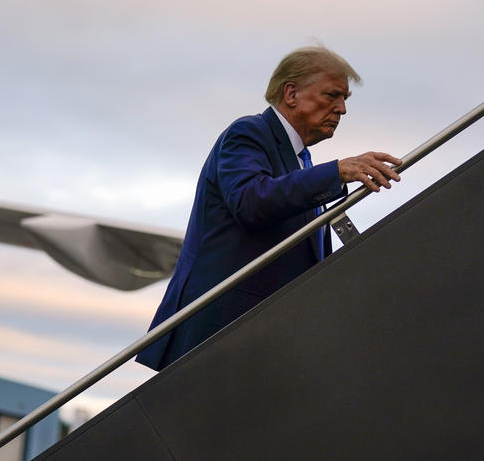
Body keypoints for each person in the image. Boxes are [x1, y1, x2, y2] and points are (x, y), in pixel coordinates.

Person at [136, 46, 403, 371]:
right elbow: (251, 200)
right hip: (221, 333)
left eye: (345, 98)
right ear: (291, 93)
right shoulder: (248, 133)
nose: (342, 109)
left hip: (265, 339)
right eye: (332, 95)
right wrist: (337, 172)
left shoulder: (301, 160)